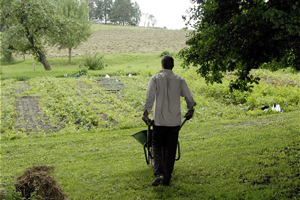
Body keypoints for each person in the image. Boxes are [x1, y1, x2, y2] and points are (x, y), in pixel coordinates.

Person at [142, 55, 196, 186]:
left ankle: (159, 173)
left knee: (157, 148)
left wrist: (145, 114)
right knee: (171, 150)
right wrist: (190, 109)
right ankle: (167, 178)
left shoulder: (155, 78)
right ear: (173, 66)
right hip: (174, 122)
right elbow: (189, 97)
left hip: (159, 122)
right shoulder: (179, 80)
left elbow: (150, 98)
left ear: (162, 65)